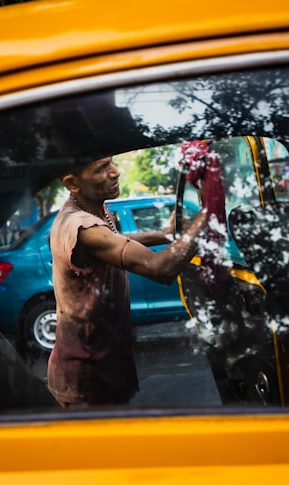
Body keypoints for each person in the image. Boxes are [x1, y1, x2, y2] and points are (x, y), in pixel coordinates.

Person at [47, 156, 207, 407]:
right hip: (87, 374)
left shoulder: (92, 208)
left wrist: (164, 235)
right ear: (72, 183)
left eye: (111, 163)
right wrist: (209, 213)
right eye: (101, 168)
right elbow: (161, 268)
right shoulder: (80, 225)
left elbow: (117, 240)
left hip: (103, 362)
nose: (116, 172)